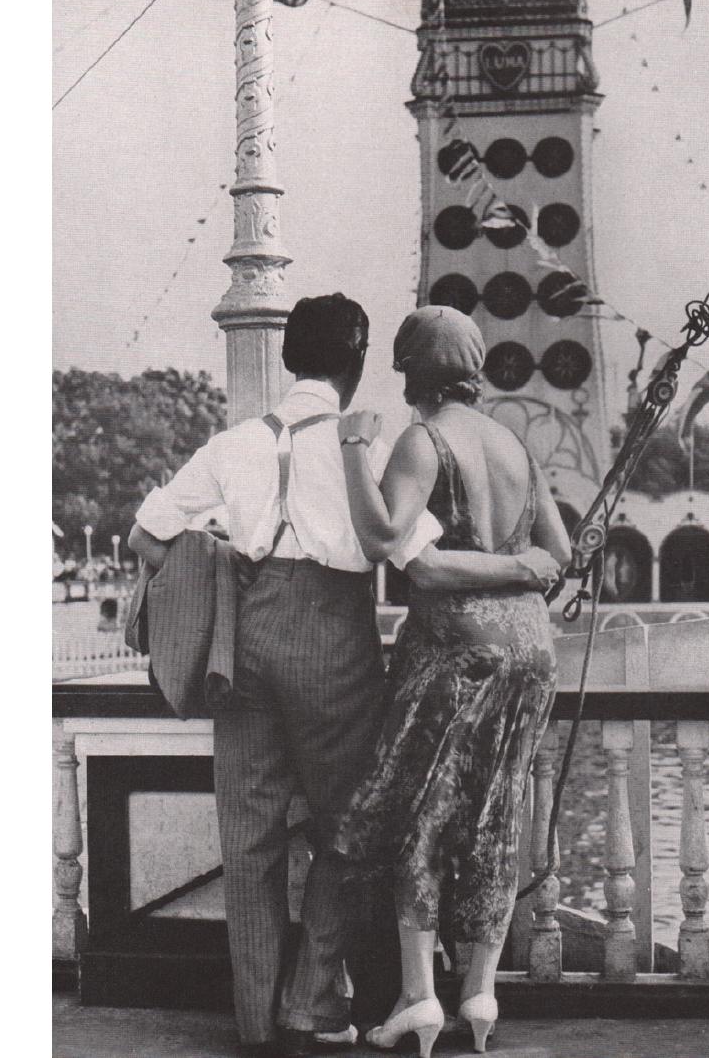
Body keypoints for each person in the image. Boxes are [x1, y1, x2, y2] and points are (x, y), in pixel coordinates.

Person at [128, 294, 558, 1058]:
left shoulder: (234, 444)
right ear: (357, 364)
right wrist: (527, 568)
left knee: (249, 839)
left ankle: (257, 1024)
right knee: (350, 830)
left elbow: (146, 535)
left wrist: (223, 566)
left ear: (287, 356)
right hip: (333, 641)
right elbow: (419, 558)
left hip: (246, 640)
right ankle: (312, 1004)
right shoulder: (370, 446)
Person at [333, 305, 571, 1058]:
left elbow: (384, 537)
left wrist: (352, 449)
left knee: (423, 813)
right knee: (498, 810)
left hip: (454, 648)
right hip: (531, 649)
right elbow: (558, 555)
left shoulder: (423, 439)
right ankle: (480, 992)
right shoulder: (512, 442)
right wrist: (518, 567)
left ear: (412, 374)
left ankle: (418, 998)